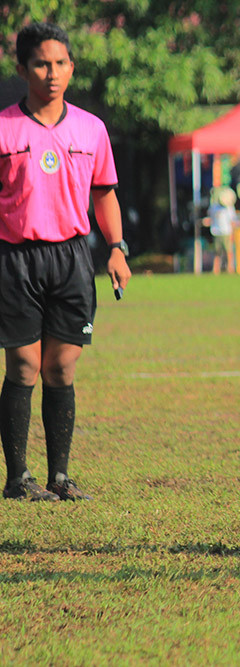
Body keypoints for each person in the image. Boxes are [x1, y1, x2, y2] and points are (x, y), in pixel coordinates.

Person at [0, 22, 131, 501]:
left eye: (59, 63)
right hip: (15, 258)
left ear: (71, 68)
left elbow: (105, 194)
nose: (51, 73)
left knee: (62, 369)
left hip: (73, 258)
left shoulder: (91, 129)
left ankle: (59, 477)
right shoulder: (4, 128)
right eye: (40, 63)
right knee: (22, 366)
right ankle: (17, 479)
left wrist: (116, 247)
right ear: (22, 69)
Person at [205, 186, 237, 274]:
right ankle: (216, 269)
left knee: (228, 251)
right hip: (216, 231)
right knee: (217, 251)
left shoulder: (229, 208)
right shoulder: (214, 207)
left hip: (226, 232)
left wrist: (233, 233)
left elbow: (232, 221)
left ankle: (230, 268)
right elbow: (210, 218)